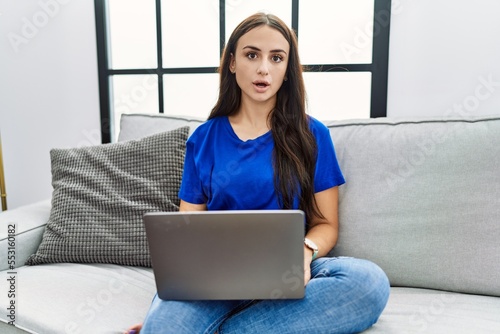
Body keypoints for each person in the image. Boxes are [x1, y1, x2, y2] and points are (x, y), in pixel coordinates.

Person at [126, 12, 390, 334]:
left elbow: (326, 225)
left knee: (368, 282)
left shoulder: (312, 133)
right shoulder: (204, 138)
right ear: (233, 62)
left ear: (287, 70)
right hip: (215, 276)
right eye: (252, 55)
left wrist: (303, 252)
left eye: (276, 58)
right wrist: (163, 313)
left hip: (290, 271)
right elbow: (186, 236)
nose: (264, 68)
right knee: (166, 324)